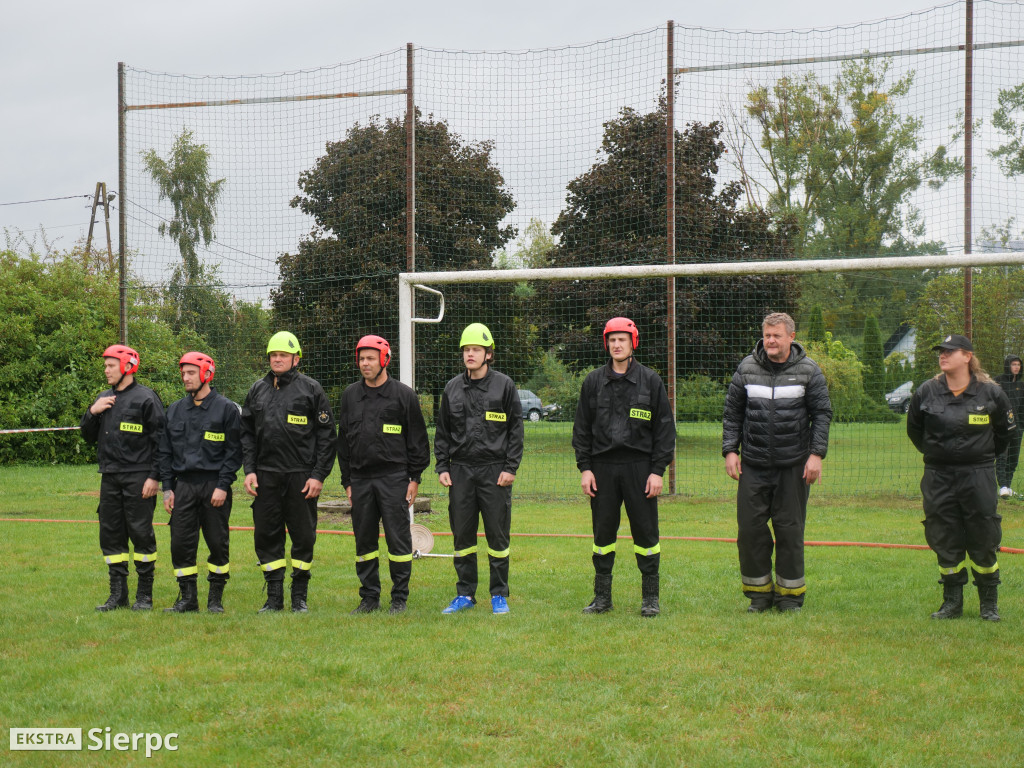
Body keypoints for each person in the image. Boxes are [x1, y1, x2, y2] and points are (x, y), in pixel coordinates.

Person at [722, 312, 832, 613]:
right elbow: (732, 414)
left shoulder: (809, 371)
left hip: (793, 467)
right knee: (750, 531)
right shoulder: (746, 368)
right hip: (754, 466)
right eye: (767, 335)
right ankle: (759, 596)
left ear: (791, 337)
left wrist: (816, 454)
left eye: (777, 335)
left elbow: (822, 414)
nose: (771, 340)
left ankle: (790, 597)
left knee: (790, 532)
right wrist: (730, 450)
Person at [572, 317, 675, 617]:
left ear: (633, 343)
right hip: (602, 470)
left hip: (640, 469)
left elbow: (665, 431)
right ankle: (602, 598)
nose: (617, 345)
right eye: (612, 340)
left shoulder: (650, 381)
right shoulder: (593, 382)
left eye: (622, 339)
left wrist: (657, 471)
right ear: (607, 344)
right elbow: (581, 430)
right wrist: (585, 469)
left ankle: (650, 599)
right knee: (603, 536)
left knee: (646, 535)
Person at [907, 334, 1014, 622]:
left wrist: (978, 457)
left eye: (949, 351)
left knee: (983, 534)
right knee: (943, 533)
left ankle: (988, 603)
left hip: (978, 475)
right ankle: (951, 602)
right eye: (941, 352)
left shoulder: (991, 394)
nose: (943, 355)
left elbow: (1004, 435)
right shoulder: (926, 392)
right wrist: (938, 456)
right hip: (938, 476)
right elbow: (915, 431)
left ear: (967, 356)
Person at [240, 332, 336, 613]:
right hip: (266, 477)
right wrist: (249, 470)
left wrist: (318, 475)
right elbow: (246, 434)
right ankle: (273, 598)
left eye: (283, 355)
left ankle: (299, 597)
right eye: (273, 355)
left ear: (296, 358)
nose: (277, 359)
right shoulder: (257, 390)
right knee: (266, 536)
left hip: (301, 477)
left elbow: (327, 436)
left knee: (304, 537)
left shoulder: (311, 390)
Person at [434, 323, 523, 614]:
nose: (470, 354)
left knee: (498, 536)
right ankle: (465, 594)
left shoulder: (504, 386)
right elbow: (443, 432)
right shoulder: (452, 388)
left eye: (476, 349)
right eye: (466, 349)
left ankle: (499, 594)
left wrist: (510, 467)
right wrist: (442, 466)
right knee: (462, 535)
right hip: (460, 472)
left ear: (488, 354)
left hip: (495, 471)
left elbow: (516, 431)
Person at [337, 335, 430, 615]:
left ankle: (399, 598)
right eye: (361, 358)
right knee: (364, 541)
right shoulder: (350, 396)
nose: (365, 364)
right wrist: (347, 482)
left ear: (385, 359)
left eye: (370, 358)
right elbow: (343, 443)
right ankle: (369, 598)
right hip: (361, 480)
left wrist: (414, 478)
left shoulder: (404, 396)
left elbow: (418, 442)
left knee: (398, 540)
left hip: (395, 479)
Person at [80, 344, 165, 612]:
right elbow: (87, 435)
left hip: (139, 478)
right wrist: (93, 412)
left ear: (128, 366)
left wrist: (154, 477)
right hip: (110, 477)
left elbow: (162, 443)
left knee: (141, 533)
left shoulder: (146, 399)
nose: (105, 370)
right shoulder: (103, 398)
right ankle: (118, 595)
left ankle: (144, 596)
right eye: (105, 366)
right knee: (110, 534)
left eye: (110, 366)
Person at [157, 352, 242, 614]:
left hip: (214, 486)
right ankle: (187, 599)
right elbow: (165, 452)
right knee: (180, 543)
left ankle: (215, 599)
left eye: (191, 373)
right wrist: (168, 488)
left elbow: (234, 452)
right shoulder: (175, 409)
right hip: (184, 487)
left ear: (206, 374)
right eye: (183, 373)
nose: (185, 377)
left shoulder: (226, 409)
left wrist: (222, 485)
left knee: (217, 543)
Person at [995, 354, 1023, 497]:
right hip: (1002, 427)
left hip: (1017, 428)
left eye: (1018, 364)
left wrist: (1021, 426)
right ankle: (1003, 486)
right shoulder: (998, 382)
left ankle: (1008, 486)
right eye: (1013, 364)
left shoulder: (1021, 385)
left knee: (1013, 458)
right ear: (1008, 365)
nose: (1016, 367)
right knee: (1002, 456)